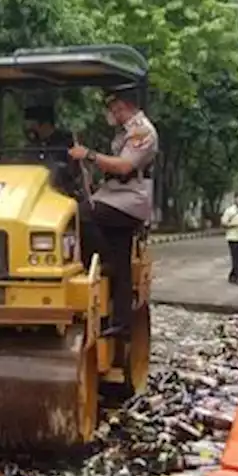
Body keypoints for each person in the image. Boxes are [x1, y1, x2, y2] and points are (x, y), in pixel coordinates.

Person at [67, 85, 158, 339]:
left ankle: (104, 263)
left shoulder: (142, 131)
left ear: (124, 107)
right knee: (121, 257)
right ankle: (121, 322)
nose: (111, 114)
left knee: (81, 214)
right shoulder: (126, 131)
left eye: (114, 109)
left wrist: (90, 155)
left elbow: (125, 166)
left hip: (129, 200)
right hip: (114, 195)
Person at [23, 105, 80, 197]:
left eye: (33, 125)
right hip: (31, 190)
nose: (30, 129)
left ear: (45, 124)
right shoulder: (31, 146)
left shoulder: (65, 142)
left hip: (60, 192)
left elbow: (73, 171)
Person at [221, 192, 238, 286]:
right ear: (235, 199)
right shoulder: (230, 210)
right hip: (233, 237)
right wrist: (234, 225)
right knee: (235, 258)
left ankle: (233, 275)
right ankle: (237, 276)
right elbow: (224, 223)